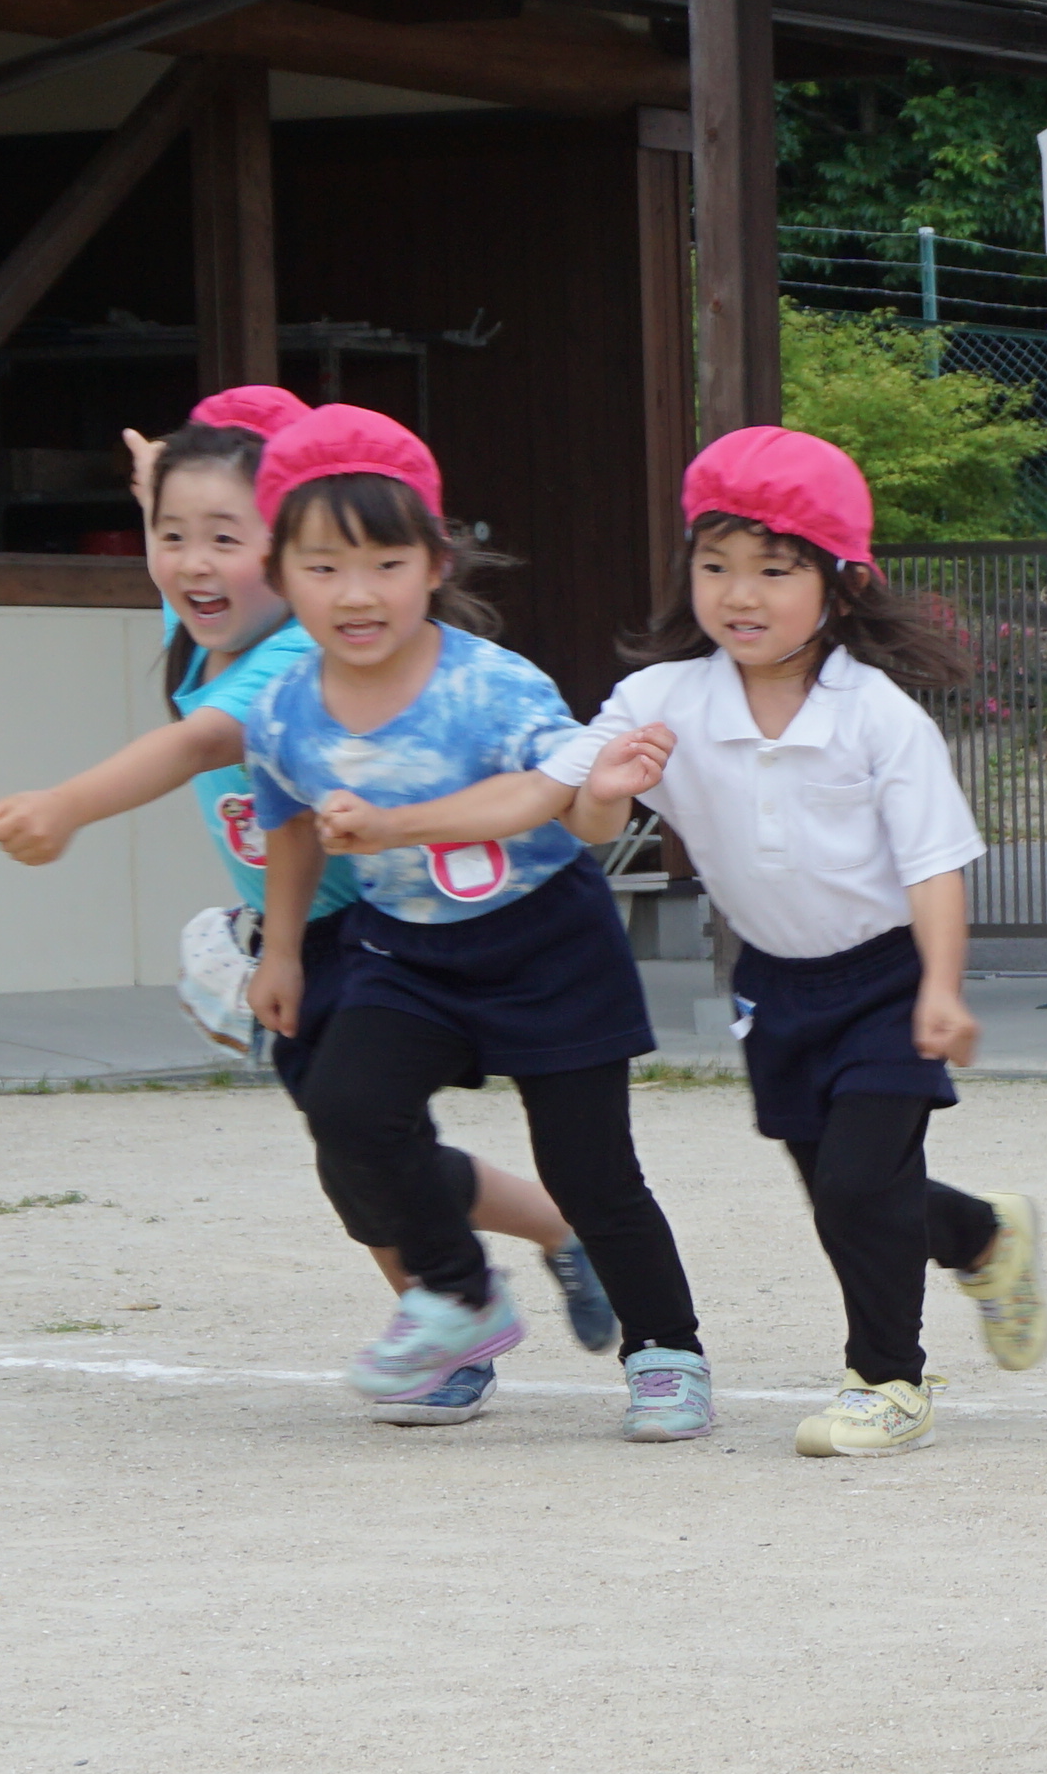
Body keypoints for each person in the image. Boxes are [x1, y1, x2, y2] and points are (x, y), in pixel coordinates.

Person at [0, 387, 610, 1404]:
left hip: (374, 933)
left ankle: (459, 1316)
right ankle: (546, 1241)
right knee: (362, 1154)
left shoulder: (292, 657)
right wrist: (157, 499)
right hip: (300, 934)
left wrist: (70, 804)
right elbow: (188, 567)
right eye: (172, 536)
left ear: (284, 555)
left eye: (228, 537)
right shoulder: (209, 622)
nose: (193, 562)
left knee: (361, 1145)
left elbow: (196, 745)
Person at [222, 406, 716, 1440]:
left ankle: (666, 1350)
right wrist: (279, 950)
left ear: (436, 563)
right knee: (350, 1109)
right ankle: (461, 1297)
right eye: (322, 567)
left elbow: (548, 799)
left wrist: (406, 820)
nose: (357, 594)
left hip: (549, 947)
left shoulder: (493, 685)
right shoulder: (279, 708)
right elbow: (287, 825)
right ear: (280, 570)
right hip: (409, 952)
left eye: (387, 562)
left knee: (591, 1171)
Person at [559, 428, 1047, 1462]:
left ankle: (890, 1382)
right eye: (715, 565)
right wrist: (600, 795)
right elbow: (588, 815)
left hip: (888, 977)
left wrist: (945, 989)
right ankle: (980, 1234)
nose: (740, 593)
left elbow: (933, 863)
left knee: (857, 1187)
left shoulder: (877, 716)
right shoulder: (663, 699)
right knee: (842, 1184)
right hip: (774, 984)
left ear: (839, 583)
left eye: (774, 570)